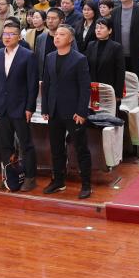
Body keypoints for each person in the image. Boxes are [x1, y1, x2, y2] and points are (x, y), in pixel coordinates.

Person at [41, 25, 92, 199]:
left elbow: (85, 88)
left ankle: (86, 184)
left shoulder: (79, 59)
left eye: (62, 34)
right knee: (56, 148)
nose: (57, 37)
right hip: (54, 111)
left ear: (70, 39)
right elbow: (46, 85)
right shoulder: (49, 57)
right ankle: (58, 181)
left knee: (81, 148)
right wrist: (45, 108)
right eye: (56, 34)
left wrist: (82, 111)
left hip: (74, 112)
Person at [0, 19, 39, 192]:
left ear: (19, 37)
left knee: (26, 144)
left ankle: (30, 178)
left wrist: (30, 107)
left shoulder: (28, 55)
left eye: (11, 34)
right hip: (2, 107)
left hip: (20, 107)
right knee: (5, 144)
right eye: (5, 34)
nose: (7, 37)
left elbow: (32, 85)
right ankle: (9, 177)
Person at [84, 17, 126, 115]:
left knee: (109, 116)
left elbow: (120, 72)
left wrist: (118, 93)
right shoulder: (91, 45)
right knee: (94, 114)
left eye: (102, 28)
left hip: (109, 89)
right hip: (94, 88)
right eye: (96, 28)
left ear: (110, 30)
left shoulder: (116, 47)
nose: (98, 30)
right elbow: (86, 67)